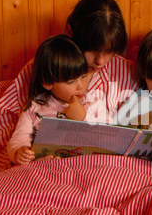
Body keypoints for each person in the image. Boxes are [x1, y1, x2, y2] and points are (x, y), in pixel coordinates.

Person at [0, 0, 140, 170]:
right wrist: (20, 154)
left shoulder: (127, 71)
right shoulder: (46, 67)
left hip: (104, 168)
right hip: (43, 167)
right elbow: (5, 119)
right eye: (91, 50)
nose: (100, 61)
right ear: (70, 31)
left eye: (109, 51)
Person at [7, 35, 90, 165]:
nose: (80, 86)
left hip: (82, 167)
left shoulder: (91, 102)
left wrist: (83, 117)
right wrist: (19, 152)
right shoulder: (34, 108)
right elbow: (19, 137)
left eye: (84, 76)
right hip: (44, 168)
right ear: (47, 83)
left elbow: (106, 136)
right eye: (71, 81)